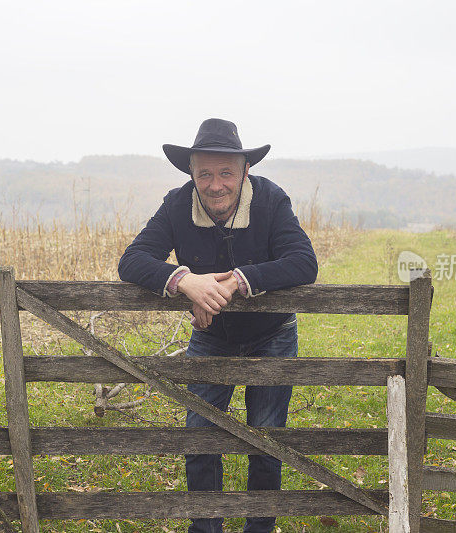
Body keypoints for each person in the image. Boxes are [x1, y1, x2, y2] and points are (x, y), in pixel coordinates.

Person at [117, 118, 318, 533]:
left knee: (265, 439)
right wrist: (186, 281)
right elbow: (132, 260)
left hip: (273, 334)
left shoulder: (271, 200)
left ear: (246, 171)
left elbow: (303, 262)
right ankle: (205, 530)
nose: (215, 184)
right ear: (191, 173)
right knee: (200, 439)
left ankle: (259, 528)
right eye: (204, 173)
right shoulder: (177, 204)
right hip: (210, 337)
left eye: (226, 172)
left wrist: (237, 283)